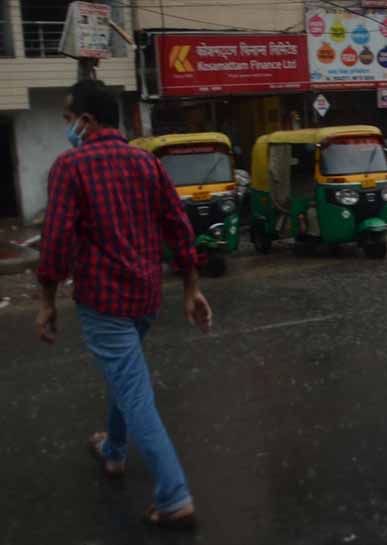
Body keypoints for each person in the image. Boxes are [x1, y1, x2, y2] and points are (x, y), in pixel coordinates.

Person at [35, 80, 212, 528]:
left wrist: (47, 301)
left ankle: (174, 496)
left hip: (104, 301)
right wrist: (191, 287)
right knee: (124, 372)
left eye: (68, 119)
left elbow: (54, 243)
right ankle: (114, 450)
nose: (68, 127)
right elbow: (178, 225)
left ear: (87, 121)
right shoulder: (145, 162)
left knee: (135, 392)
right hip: (145, 297)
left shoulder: (69, 166)